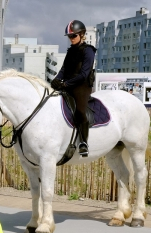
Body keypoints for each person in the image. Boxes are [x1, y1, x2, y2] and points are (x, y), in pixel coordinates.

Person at [51, 20, 97, 157]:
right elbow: (64, 69)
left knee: (80, 111)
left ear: (82, 34)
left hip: (82, 87)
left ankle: (83, 142)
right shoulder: (71, 51)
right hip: (68, 84)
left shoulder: (89, 51)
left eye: (73, 36)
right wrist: (56, 80)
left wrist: (66, 84)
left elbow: (83, 74)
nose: (71, 39)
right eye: (69, 37)